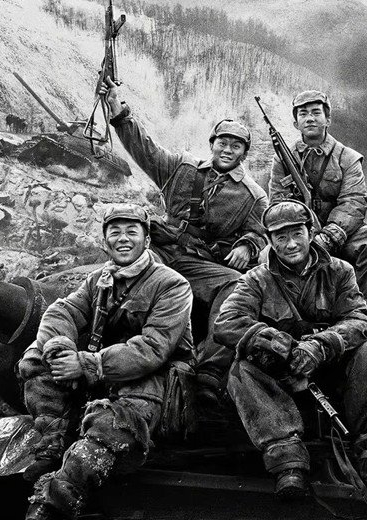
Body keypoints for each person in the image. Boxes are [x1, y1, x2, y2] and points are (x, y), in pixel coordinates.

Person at [214, 200, 367, 516]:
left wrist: (321, 345)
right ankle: (288, 464)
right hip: (281, 383)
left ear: (310, 232)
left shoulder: (340, 271)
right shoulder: (255, 279)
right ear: (270, 240)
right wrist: (279, 345)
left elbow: (361, 321)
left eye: (297, 234)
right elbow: (226, 323)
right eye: (280, 237)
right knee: (242, 368)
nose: (290, 244)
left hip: (332, 375)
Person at [18, 204, 193, 520]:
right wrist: (60, 349)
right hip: (108, 372)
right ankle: (52, 444)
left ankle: (56, 499)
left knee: (115, 426)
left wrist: (87, 365)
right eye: (115, 232)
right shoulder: (100, 279)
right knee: (37, 361)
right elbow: (63, 311)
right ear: (105, 241)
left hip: (156, 380)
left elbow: (152, 349)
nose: (123, 239)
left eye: (131, 232)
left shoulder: (172, 284)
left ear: (146, 240)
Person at [100, 77, 268, 403]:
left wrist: (247, 245)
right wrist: (119, 113)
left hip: (199, 262)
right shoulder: (181, 167)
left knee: (235, 286)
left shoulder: (253, 195)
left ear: (244, 153)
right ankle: (112, 346)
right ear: (212, 143)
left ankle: (210, 370)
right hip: (161, 250)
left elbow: (259, 231)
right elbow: (145, 150)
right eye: (223, 142)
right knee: (128, 270)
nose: (227, 150)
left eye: (236, 146)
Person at [268, 90, 367, 313]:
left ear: (328, 120)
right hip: (298, 233)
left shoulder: (348, 158)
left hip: (340, 234)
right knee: (268, 255)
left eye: (316, 113)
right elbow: (277, 204)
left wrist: (328, 237)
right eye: (303, 114)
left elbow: (353, 203)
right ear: (296, 123)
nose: (310, 118)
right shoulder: (282, 159)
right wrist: (301, 234)